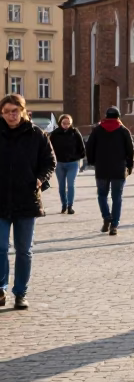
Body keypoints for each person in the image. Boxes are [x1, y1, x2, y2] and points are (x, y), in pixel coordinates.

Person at [0, 94, 55, 310]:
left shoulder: (37, 135)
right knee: (0, 247)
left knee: (24, 250)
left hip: (27, 199)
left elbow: (50, 161)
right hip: (0, 200)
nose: (11, 115)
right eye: (6, 111)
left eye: (15, 111)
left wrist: (40, 179)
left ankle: (21, 292)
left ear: (23, 111)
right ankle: (0, 288)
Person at [85, 106, 134, 236]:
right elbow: (131, 150)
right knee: (117, 197)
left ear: (106, 116)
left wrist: (92, 161)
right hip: (118, 168)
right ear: (118, 117)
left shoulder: (97, 130)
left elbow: (89, 147)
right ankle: (114, 225)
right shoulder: (123, 131)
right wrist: (130, 166)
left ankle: (106, 216)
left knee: (102, 195)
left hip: (102, 168)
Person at [48, 113, 85, 213]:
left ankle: (70, 206)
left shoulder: (75, 132)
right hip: (59, 163)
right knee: (61, 186)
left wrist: (79, 157)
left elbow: (81, 146)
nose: (66, 125)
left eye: (68, 123)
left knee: (71, 184)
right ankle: (63, 204)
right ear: (60, 123)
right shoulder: (55, 134)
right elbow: (49, 149)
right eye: (64, 123)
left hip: (72, 163)